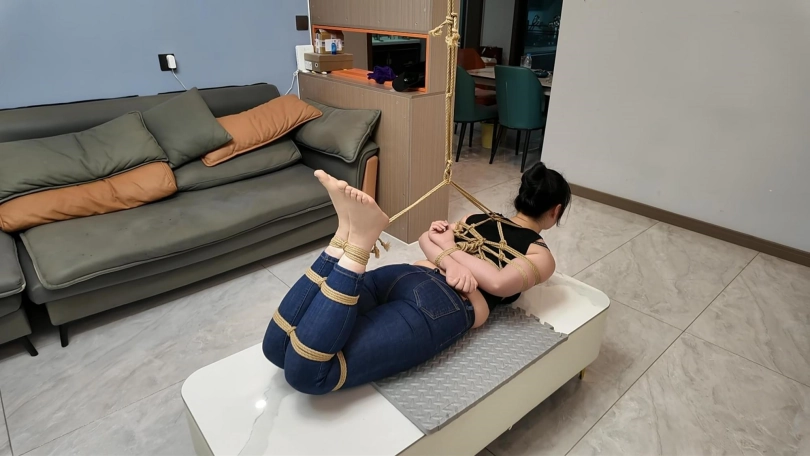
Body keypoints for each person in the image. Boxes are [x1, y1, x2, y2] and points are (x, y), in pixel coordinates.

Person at [262, 162, 571, 395]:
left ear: (520, 197)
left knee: (276, 346)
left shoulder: (476, 218)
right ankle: (360, 242)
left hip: (405, 274)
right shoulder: (539, 254)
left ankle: (343, 235)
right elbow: (498, 282)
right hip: (443, 302)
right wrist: (451, 260)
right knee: (308, 374)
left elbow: (430, 241)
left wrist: (447, 254)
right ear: (555, 211)